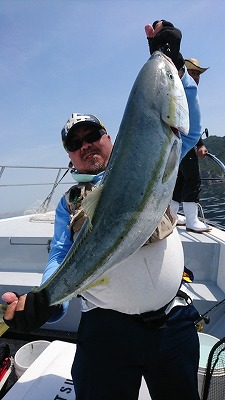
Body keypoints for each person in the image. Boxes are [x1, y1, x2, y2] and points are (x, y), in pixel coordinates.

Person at [2, 21, 201, 400]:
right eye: (75, 143)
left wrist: (173, 67)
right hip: (105, 335)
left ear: (112, 138)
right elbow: (61, 257)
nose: (86, 144)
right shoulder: (68, 204)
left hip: (172, 323)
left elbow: (185, 130)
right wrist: (45, 302)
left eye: (93, 135)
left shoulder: (152, 161)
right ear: (69, 155)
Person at [170, 58, 211, 233]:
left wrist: (199, 143)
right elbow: (187, 124)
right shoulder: (183, 92)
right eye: (191, 72)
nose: (195, 76)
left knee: (179, 180)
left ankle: (171, 215)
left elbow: (190, 122)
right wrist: (199, 143)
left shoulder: (180, 92)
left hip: (177, 144)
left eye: (197, 73)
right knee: (193, 179)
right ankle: (192, 221)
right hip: (183, 142)